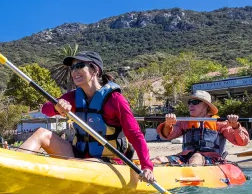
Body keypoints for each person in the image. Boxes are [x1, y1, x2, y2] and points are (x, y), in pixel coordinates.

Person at [20, 51, 155, 183]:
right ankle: (16, 167)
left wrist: (147, 166)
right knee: (41, 134)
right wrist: (57, 106)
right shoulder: (73, 97)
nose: (74, 71)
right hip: (78, 155)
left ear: (95, 69)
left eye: (80, 66)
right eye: (72, 68)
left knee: (76, 164)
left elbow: (135, 134)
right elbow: (45, 109)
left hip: (108, 161)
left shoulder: (115, 99)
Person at [153, 90, 250, 166]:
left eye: (195, 102)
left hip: (211, 159)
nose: (191, 104)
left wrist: (235, 126)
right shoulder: (184, 122)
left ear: (206, 105)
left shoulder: (220, 123)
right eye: (190, 102)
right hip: (185, 156)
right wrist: (167, 124)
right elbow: (167, 135)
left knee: (196, 157)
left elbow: (242, 142)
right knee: (158, 159)